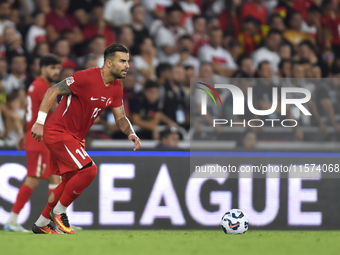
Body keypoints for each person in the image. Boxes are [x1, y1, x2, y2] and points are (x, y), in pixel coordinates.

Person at [30, 44, 141, 234]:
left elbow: (120, 117)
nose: (127, 65)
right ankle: (59, 212)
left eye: (128, 61)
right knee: (89, 170)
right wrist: (39, 122)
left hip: (75, 138)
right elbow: (52, 91)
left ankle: (41, 223)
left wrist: (130, 132)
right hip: (58, 132)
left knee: (68, 180)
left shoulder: (116, 87)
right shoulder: (85, 77)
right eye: (122, 61)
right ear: (108, 62)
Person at [3, 54, 61, 232]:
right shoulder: (44, 87)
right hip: (39, 140)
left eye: (58, 68)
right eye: (52, 68)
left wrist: (23, 133)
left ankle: (56, 221)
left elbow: (32, 112)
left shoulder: (35, 85)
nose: (56, 71)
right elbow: (56, 111)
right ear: (42, 69)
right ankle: (12, 220)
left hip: (36, 137)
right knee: (33, 180)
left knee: (54, 178)